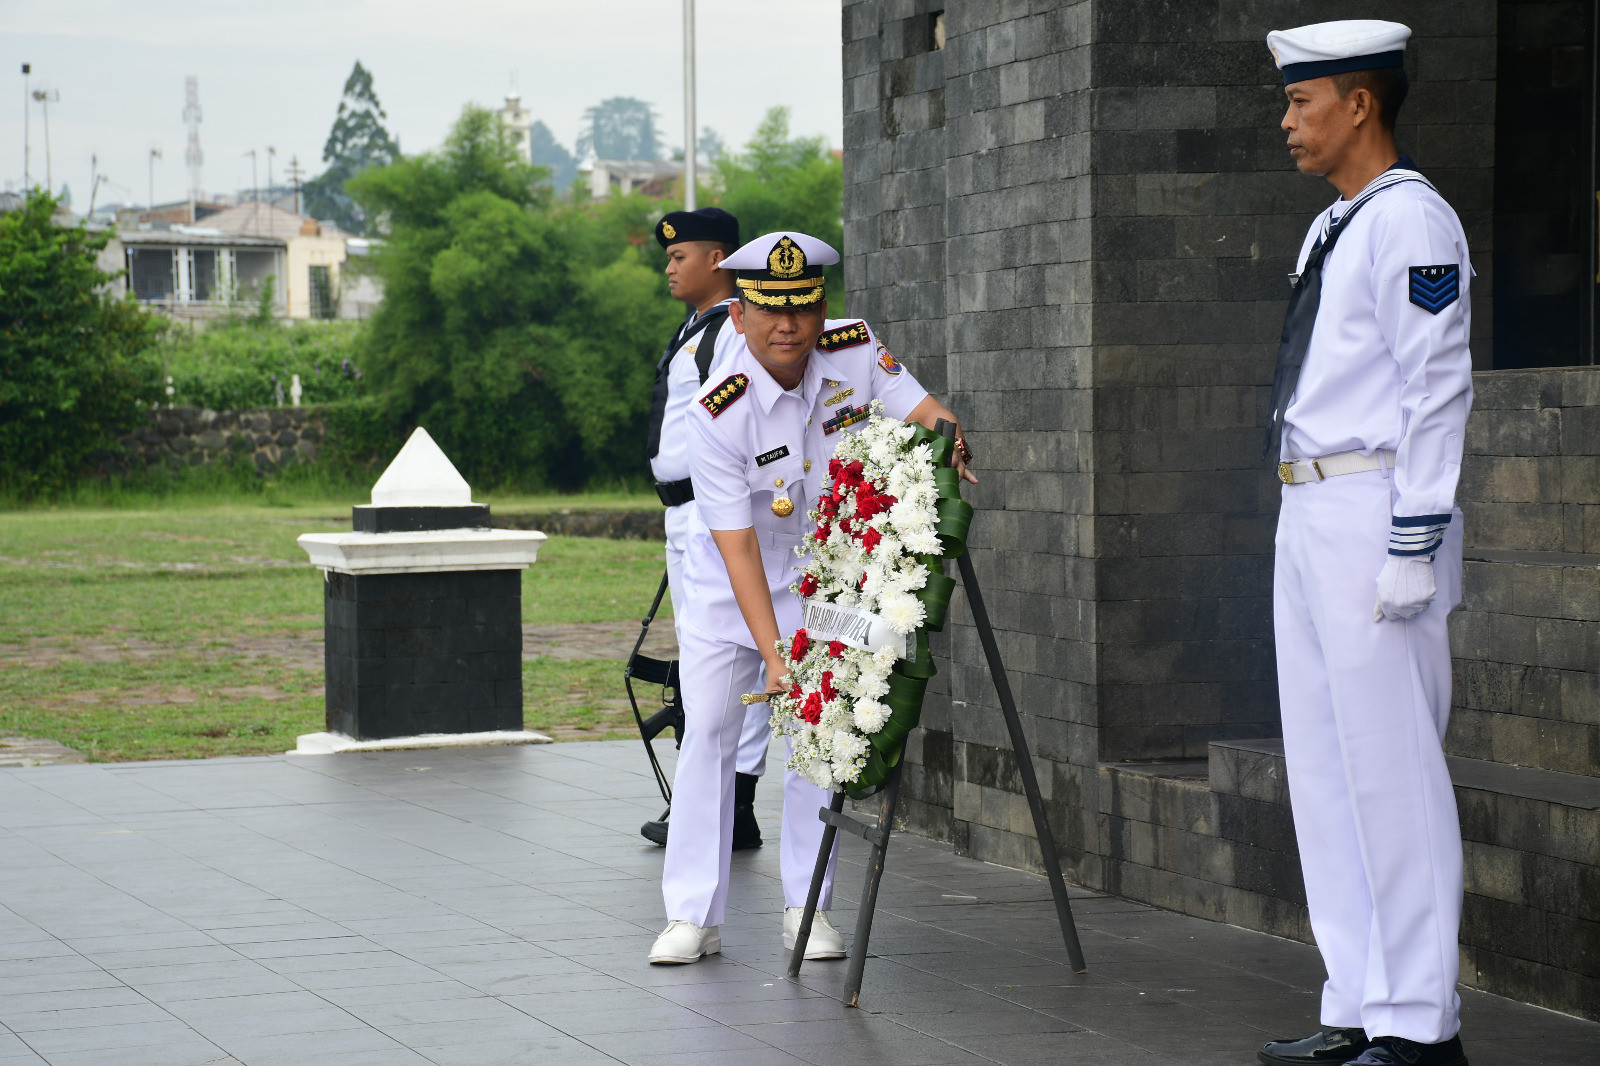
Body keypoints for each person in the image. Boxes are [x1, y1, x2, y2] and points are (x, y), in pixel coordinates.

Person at [648, 230, 975, 964]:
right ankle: (691, 916)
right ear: (739, 316)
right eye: (770, 311)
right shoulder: (717, 409)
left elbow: (923, 408)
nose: (789, 326)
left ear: (822, 306)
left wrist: (950, 441)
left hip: (823, 586)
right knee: (708, 737)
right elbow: (734, 545)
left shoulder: (854, 351)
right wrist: (772, 653)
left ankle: (809, 907)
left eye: (803, 307)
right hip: (728, 592)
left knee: (817, 741)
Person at [1257, 21, 1473, 1066]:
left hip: (1373, 509)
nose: (1287, 120)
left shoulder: (1413, 223)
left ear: (1358, 103)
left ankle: (1422, 1027)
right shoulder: (1331, 227)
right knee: (1327, 771)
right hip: (1308, 508)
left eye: (1302, 101)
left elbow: (1435, 391)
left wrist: (1414, 541)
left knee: (1392, 774)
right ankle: (1359, 999)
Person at [641, 207, 768, 851]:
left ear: (717, 259)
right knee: (701, 655)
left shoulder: (737, 330)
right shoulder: (698, 329)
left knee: (735, 650)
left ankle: (734, 802)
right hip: (683, 511)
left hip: (715, 509)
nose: (668, 267)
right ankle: (712, 799)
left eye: (678, 256)